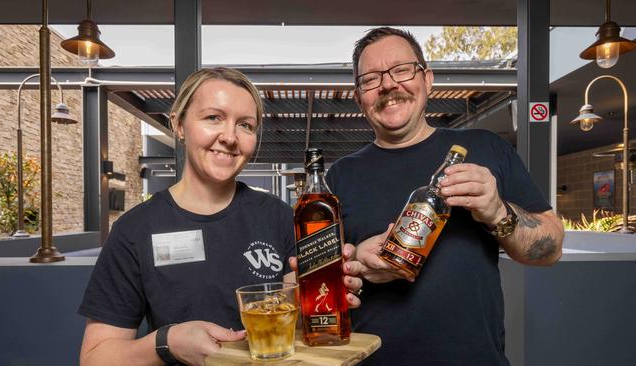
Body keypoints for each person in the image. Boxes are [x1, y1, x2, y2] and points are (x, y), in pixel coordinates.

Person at [78, 67, 363, 366]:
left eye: (245, 125)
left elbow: (301, 327)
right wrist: (168, 342)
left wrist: (327, 292)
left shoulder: (278, 216)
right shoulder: (135, 229)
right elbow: (95, 358)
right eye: (213, 117)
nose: (229, 137)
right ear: (178, 125)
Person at [326, 27, 564, 365]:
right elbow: (313, 282)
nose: (389, 85)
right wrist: (355, 265)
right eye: (371, 79)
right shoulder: (339, 175)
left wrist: (498, 212)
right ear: (358, 98)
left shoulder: (486, 148)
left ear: (428, 80)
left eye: (401, 70)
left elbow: (550, 248)